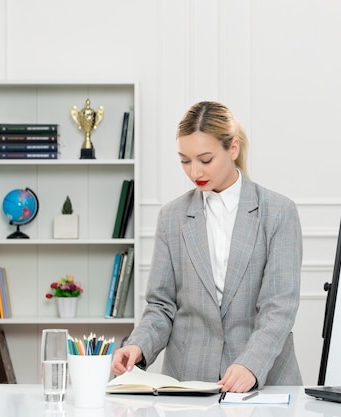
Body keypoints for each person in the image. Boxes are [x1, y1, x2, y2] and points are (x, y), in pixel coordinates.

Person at [111, 101, 303, 392]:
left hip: (265, 381)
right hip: (188, 381)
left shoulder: (278, 212)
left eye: (205, 159)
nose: (194, 171)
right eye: (185, 160)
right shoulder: (171, 217)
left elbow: (279, 307)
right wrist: (138, 345)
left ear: (233, 149)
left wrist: (251, 363)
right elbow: (161, 305)